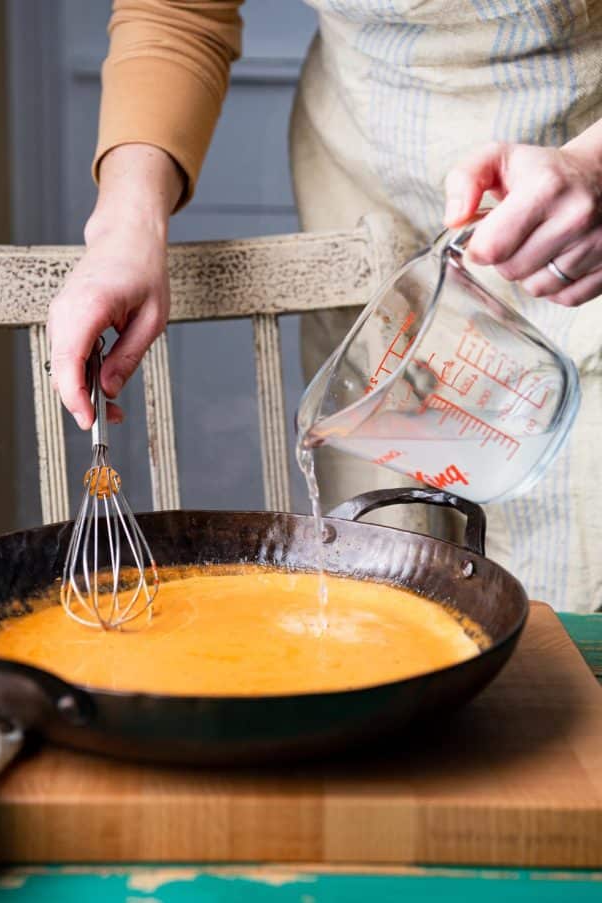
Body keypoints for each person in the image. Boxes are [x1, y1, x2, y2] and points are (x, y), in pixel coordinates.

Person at [48, 1, 602, 612]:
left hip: (581, 195)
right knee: (387, 595)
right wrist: (124, 229)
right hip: (366, 198)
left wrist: (594, 167)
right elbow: (177, 12)